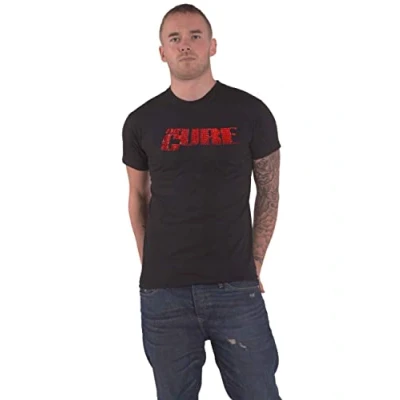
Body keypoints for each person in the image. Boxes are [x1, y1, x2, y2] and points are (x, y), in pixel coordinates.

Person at [122, 3, 282, 399]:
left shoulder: (251, 112)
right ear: (162, 52)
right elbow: (138, 197)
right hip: (164, 295)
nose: (185, 45)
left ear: (212, 45)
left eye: (195, 36)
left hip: (236, 290)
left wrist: (255, 262)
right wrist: (151, 263)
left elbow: (269, 191)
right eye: (174, 38)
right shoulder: (141, 122)